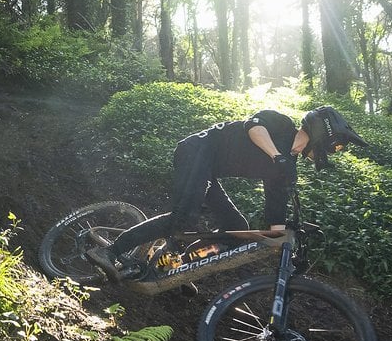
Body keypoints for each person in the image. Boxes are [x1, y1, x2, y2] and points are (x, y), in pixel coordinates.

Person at [88, 105, 366, 279]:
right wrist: (276, 156)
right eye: (333, 146)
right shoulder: (281, 124)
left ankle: (173, 267)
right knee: (184, 218)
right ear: (322, 132)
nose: (330, 153)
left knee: (237, 229)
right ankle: (112, 251)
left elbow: (275, 209)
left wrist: (283, 243)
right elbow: (253, 127)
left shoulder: (287, 167)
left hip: (209, 172)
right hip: (196, 151)